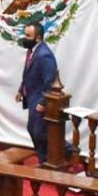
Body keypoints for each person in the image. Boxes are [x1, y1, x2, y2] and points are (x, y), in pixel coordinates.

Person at [16, 22, 57, 163]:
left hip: (39, 100)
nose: (24, 38)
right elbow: (28, 73)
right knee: (33, 129)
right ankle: (43, 158)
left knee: (39, 132)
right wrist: (21, 90)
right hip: (32, 98)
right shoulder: (32, 50)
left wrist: (43, 102)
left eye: (28, 35)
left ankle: (67, 152)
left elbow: (50, 82)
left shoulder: (44, 55)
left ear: (38, 38)